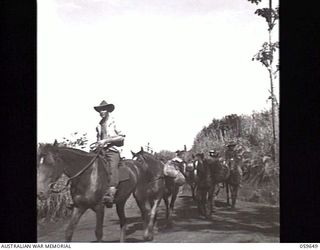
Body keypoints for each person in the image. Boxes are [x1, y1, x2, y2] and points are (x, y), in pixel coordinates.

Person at [93, 100, 126, 208]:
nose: (101, 112)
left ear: (108, 110)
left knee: (112, 168)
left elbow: (122, 136)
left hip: (113, 150)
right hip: (101, 150)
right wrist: (97, 144)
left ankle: (111, 194)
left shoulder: (115, 121)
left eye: (103, 109)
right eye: (99, 110)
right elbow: (99, 139)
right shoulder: (98, 125)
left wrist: (106, 141)